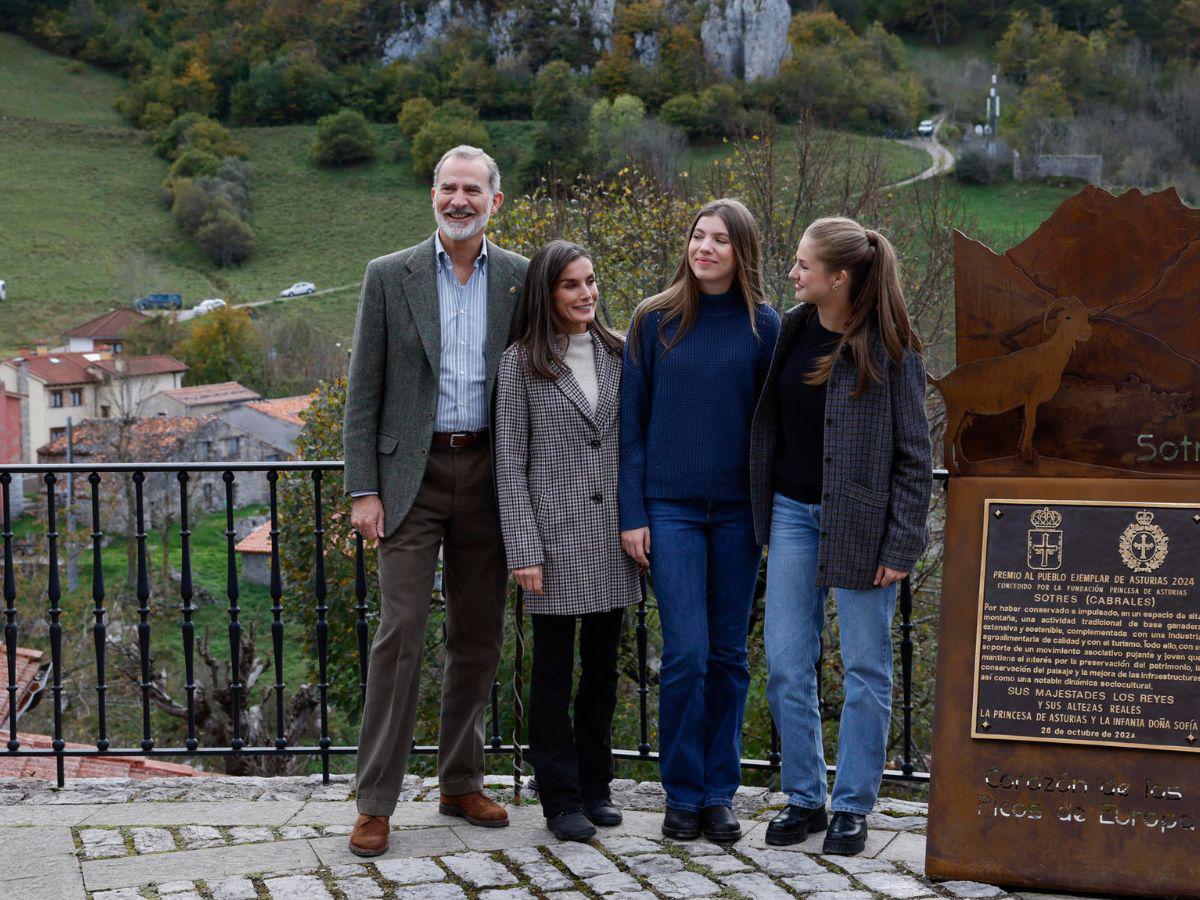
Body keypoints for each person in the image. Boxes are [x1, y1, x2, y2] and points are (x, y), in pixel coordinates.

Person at [342, 145, 529, 857]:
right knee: (400, 637)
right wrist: (364, 488)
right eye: (448, 187)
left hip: (488, 473)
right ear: (432, 196)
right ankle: (376, 802)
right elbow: (365, 390)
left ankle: (461, 780)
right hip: (407, 484)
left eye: (472, 189)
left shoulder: (518, 278)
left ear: (494, 202)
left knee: (478, 637)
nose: (459, 199)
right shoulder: (390, 277)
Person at [749, 217, 932, 855]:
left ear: (839, 278)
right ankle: (805, 796)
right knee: (785, 665)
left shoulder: (894, 349)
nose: (793, 273)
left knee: (865, 670)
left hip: (863, 528)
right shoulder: (792, 330)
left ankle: (853, 805)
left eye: (803, 265)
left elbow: (914, 457)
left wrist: (902, 545)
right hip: (792, 517)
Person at [619, 198, 780, 843]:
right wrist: (634, 514)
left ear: (742, 251)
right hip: (671, 511)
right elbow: (630, 431)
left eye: (719, 239)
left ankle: (720, 793)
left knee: (729, 654)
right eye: (697, 236)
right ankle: (681, 793)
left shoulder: (763, 327)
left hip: (739, 514)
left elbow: (772, 428)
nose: (704, 248)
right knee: (685, 653)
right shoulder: (653, 322)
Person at [494, 240, 641, 842]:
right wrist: (523, 548)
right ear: (547, 294)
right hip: (552, 544)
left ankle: (596, 784)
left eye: (591, 281)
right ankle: (559, 797)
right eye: (572, 285)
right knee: (553, 672)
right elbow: (510, 462)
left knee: (603, 669)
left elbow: (634, 445)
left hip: (612, 539)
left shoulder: (619, 354)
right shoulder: (519, 363)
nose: (587, 294)